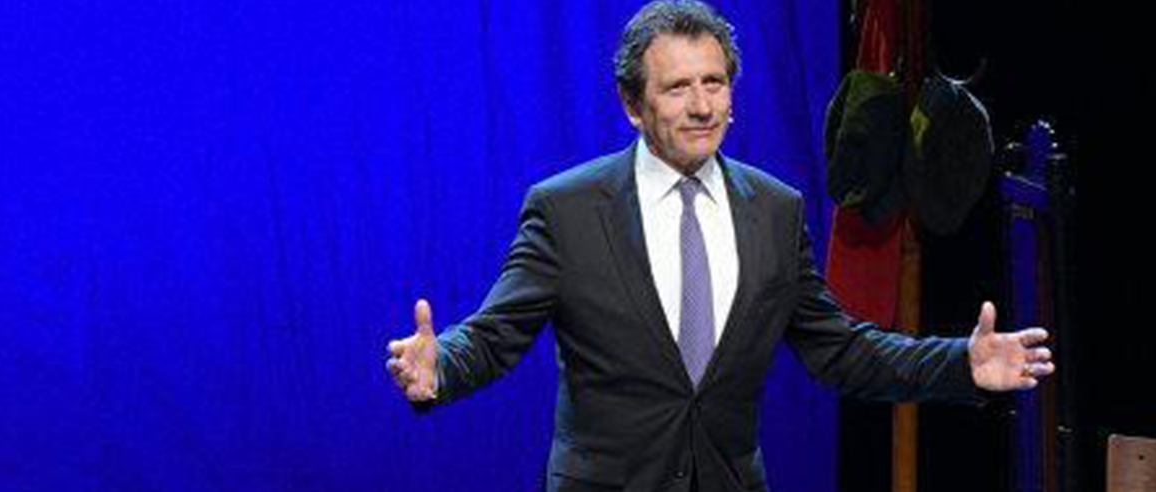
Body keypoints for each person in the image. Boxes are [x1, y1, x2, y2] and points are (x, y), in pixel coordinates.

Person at [384, 2, 1054, 491]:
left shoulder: (775, 209)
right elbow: (497, 335)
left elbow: (840, 349)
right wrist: (441, 366)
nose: (703, 106)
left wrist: (959, 364)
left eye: (715, 82)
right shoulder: (566, 209)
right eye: (678, 87)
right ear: (633, 105)